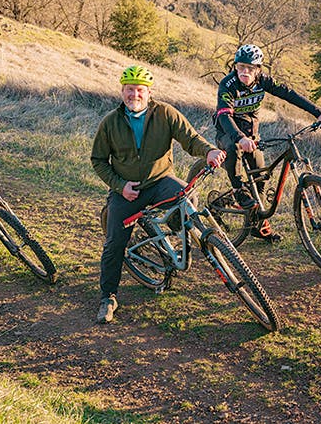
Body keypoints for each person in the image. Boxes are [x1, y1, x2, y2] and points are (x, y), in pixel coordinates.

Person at [91, 64, 226, 325]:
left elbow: (190, 138)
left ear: (148, 92)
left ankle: (178, 234)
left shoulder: (165, 113)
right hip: (128, 190)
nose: (134, 95)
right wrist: (120, 186)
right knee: (114, 244)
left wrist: (208, 151)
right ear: (122, 92)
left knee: (188, 200)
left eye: (139, 90)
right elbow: (98, 160)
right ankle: (108, 297)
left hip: (161, 181)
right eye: (129, 90)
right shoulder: (110, 123)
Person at [215, 44, 321, 242]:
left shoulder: (263, 81)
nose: (245, 72)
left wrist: (319, 112)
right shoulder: (228, 84)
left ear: (258, 70)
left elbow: (288, 93)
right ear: (235, 66)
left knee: (261, 176)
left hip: (251, 135)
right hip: (227, 132)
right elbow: (225, 116)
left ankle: (257, 224)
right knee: (234, 149)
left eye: (250, 68)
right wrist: (239, 138)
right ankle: (237, 190)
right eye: (241, 66)